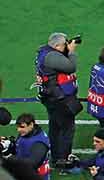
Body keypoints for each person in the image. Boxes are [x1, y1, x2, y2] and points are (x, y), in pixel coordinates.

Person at [34, 34, 80, 165]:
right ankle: (63, 159)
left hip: (51, 96)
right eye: (65, 44)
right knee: (67, 128)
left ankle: (56, 156)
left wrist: (67, 49)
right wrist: (71, 51)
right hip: (59, 98)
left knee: (55, 127)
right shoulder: (51, 57)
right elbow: (71, 67)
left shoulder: (45, 52)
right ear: (56, 46)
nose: (66, 46)